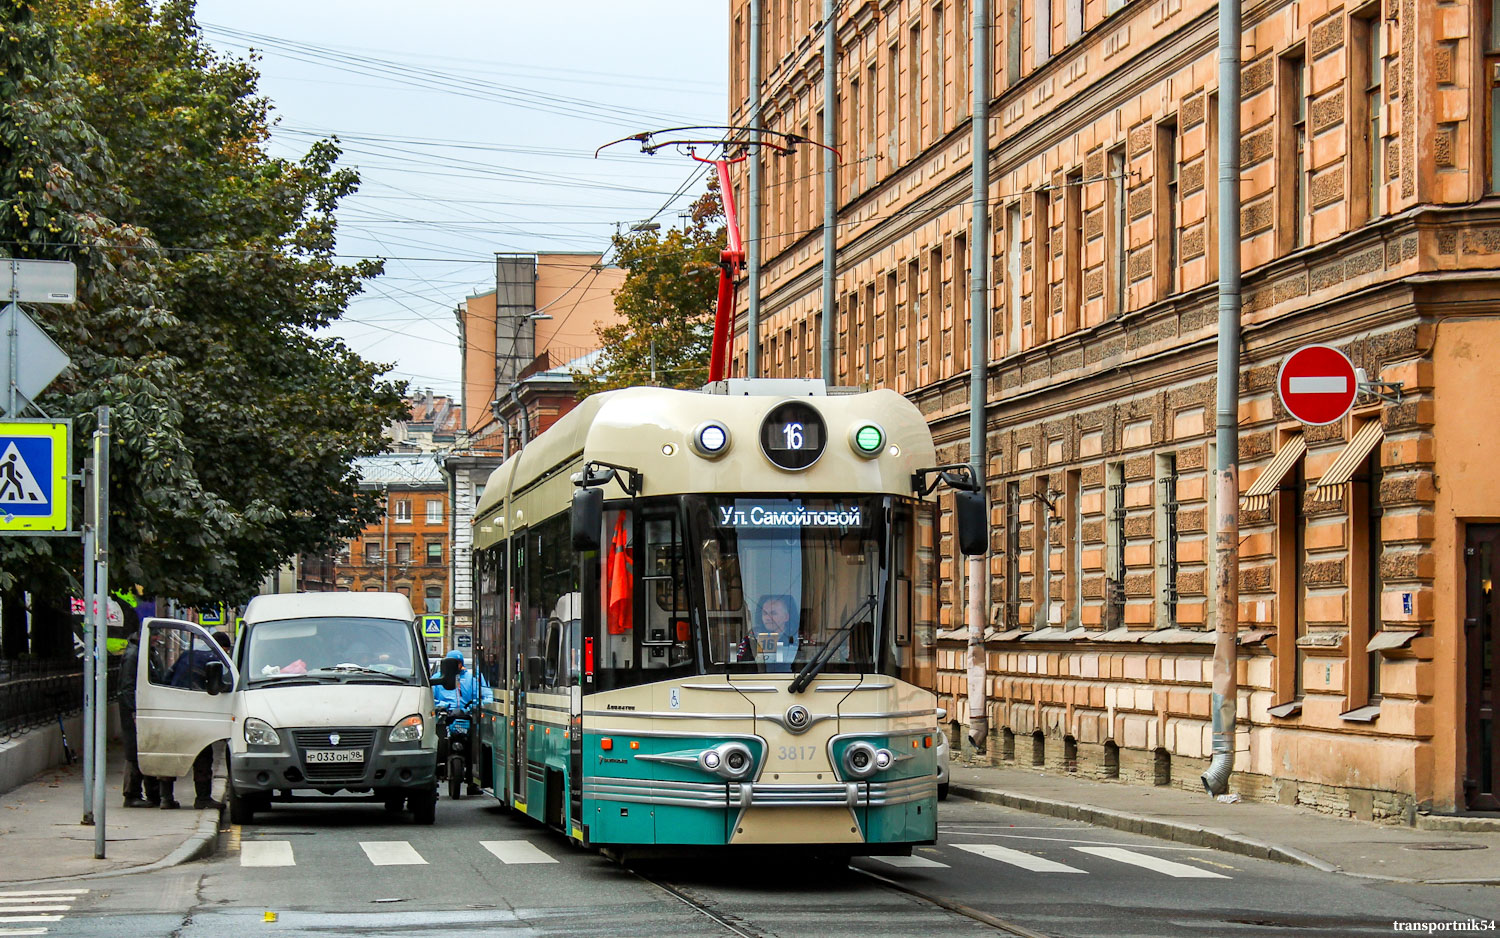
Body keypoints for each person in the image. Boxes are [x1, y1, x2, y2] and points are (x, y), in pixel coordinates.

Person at [161, 630, 232, 810]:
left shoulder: (187, 654)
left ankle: (166, 798)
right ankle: (202, 798)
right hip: (196, 712)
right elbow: (218, 687)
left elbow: (167, 678)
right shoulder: (214, 660)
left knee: (172, 754)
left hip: (173, 710)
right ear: (222, 648)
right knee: (202, 755)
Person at [119, 620, 162, 808]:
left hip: (144, 709)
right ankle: (132, 794)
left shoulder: (146, 652)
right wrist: (134, 712)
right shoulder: (133, 655)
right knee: (135, 752)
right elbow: (127, 688)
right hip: (135, 712)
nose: (157, 638)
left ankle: (152, 793)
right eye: (155, 635)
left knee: (145, 749)